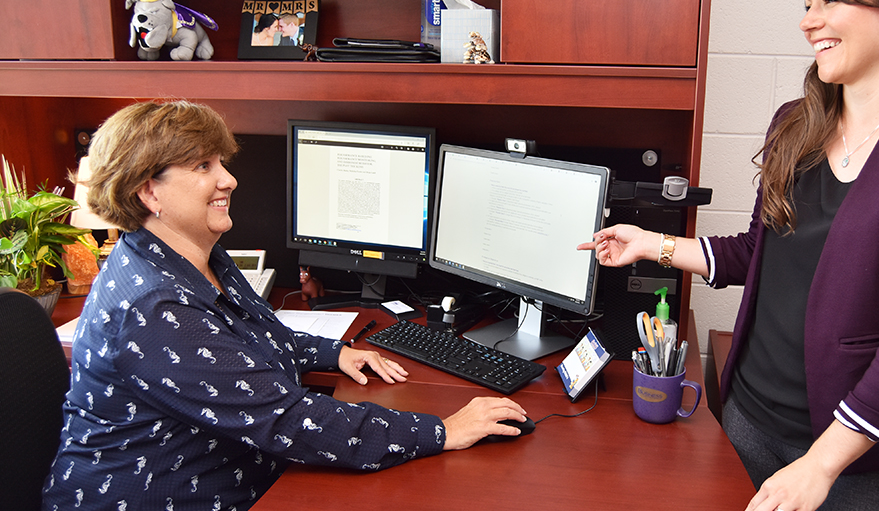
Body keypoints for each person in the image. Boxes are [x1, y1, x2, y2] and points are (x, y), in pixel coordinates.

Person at [580, 0, 879, 511]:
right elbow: (761, 253)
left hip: (853, 459)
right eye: (808, 4)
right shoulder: (797, 122)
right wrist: (653, 243)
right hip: (750, 418)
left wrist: (820, 465)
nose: (808, 22)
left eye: (831, 2)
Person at [42, 101, 526, 511]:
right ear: (149, 191)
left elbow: (245, 340)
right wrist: (442, 429)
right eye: (203, 167)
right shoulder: (154, 305)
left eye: (221, 162)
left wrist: (331, 353)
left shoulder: (193, 254)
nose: (228, 179)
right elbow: (289, 422)